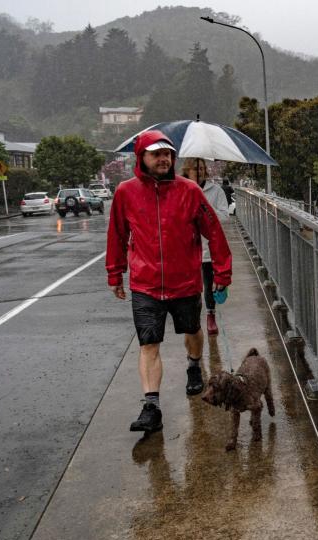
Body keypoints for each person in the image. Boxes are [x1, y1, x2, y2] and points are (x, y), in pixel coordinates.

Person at [106, 131, 232, 434]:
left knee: (192, 330)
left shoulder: (189, 191)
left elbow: (213, 231)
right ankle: (152, 406)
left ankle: (193, 364)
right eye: (155, 154)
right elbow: (117, 235)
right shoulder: (125, 193)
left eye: (167, 154)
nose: (163, 159)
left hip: (185, 282)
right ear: (142, 158)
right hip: (145, 284)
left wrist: (222, 273)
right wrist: (115, 273)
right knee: (148, 343)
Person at [182, 159, 230, 335]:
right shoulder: (180, 189)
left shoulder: (216, 191)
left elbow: (225, 216)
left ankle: (211, 316)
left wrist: (205, 210)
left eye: (202, 168)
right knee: (191, 288)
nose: (199, 172)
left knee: (210, 285)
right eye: (195, 168)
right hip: (187, 249)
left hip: (209, 248)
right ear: (187, 170)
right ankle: (193, 319)